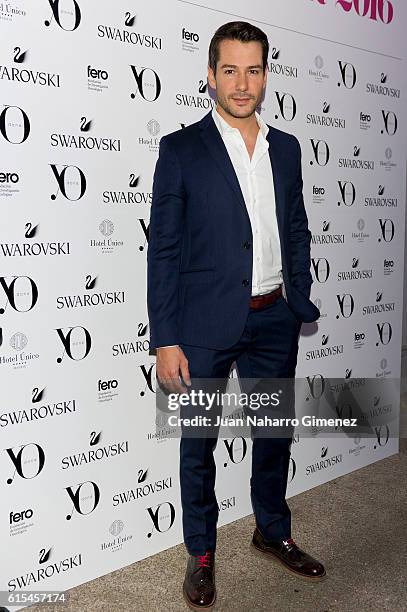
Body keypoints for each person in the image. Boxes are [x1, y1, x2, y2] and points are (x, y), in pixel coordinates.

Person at [147, 20, 325, 610]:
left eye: (253, 70)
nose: (242, 83)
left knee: (273, 434)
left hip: (275, 317)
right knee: (196, 445)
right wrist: (166, 337)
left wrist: (298, 292)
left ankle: (271, 529)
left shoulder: (288, 147)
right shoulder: (180, 149)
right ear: (210, 75)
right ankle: (200, 552)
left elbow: (295, 228)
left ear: (266, 75)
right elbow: (165, 249)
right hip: (200, 327)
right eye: (230, 70)